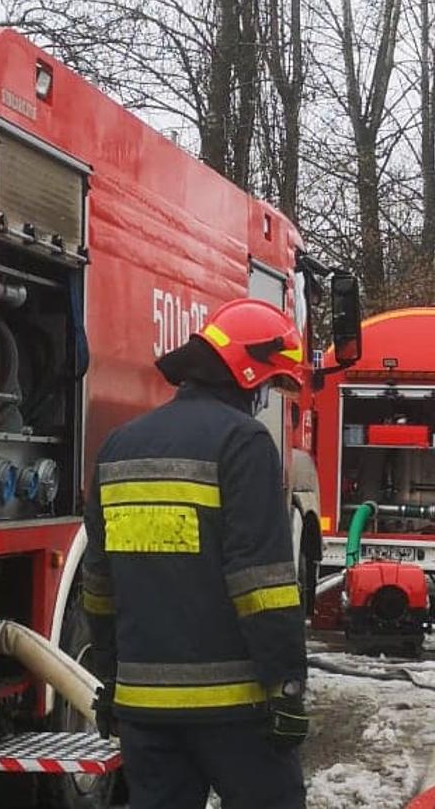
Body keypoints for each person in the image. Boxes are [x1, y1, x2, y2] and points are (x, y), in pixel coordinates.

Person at [81, 299, 310, 809]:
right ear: (250, 375)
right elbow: (262, 585)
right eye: (271, 384)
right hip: (234, 710)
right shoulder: (242, 442)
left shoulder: (119, 447)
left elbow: (98, 585)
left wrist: (112, 675)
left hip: (144, 713)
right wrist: (287, 684)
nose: (267, 397)